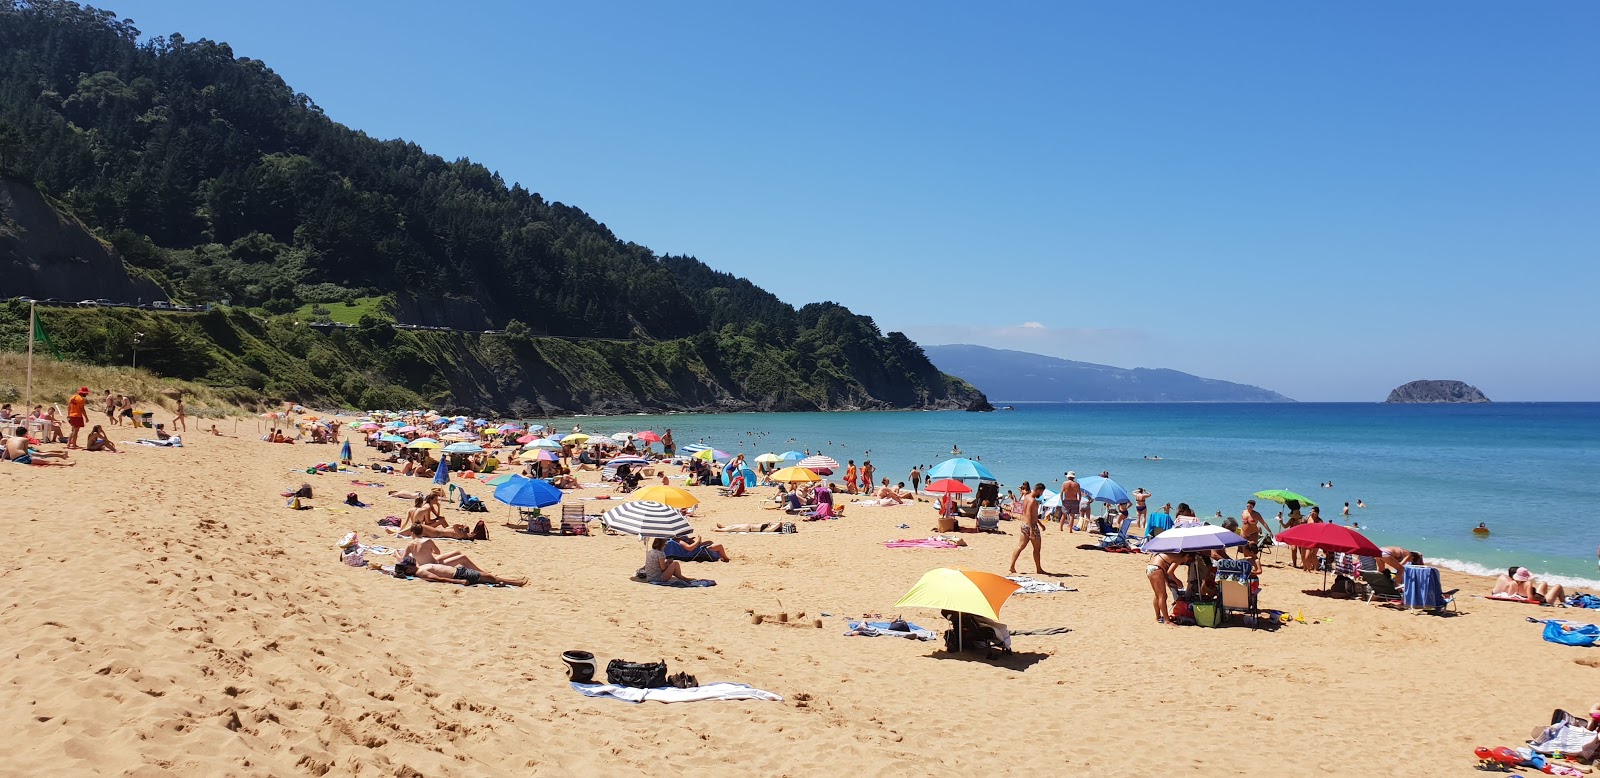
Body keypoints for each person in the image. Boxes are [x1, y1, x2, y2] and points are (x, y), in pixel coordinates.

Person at [1007, 482, 1051, 576]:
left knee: (1020, 546)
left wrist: (1040, 524)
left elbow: (1029, 513)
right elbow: (1030, 515)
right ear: (1038, 490)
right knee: (1037, 548)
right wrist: (1032, 530)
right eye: (1041, 492)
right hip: (1031, 526)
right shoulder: (1032, 501)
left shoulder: (1027, 497)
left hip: (1024, 524)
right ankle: (1039, 569)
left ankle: (1012, 566)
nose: (1041, 494)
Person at [1146, 551, 1192, 625]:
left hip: (1151, 567)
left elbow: (1165, 570)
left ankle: (1158, 617)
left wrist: (1169, 581)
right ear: (1186, 555)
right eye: (1189, 559)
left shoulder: (1174, 554)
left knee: (1157, 595)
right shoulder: (1179, 558)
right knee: (1162, 596)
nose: (1187, 561)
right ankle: (1167, 621)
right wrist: (1178, 581)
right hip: (1157, 569)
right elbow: (1170, 572)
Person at [3, 426, 74, 466]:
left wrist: (2, 460)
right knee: (47, 462)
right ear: (24, 434)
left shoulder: (9, 439)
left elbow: (6, 451)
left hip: (14, 459)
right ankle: (67, 464)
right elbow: (25, 452)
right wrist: (32, 458)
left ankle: (61, 457)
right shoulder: (24, 439)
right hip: (23, 458)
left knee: (42, 459)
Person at [1240, 500, 1270, 568]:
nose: (1249, 508)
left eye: (1250, 506)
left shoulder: (1256, 515)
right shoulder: (1243, 512)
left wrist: (1269, 531)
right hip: (1243, 532)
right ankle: (1247, 563)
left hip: (1253, 533)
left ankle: (1255, 563)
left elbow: (1263, 523)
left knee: (1253, 549)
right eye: (1247, 506)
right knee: (1244, 548)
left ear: (1253, 507)